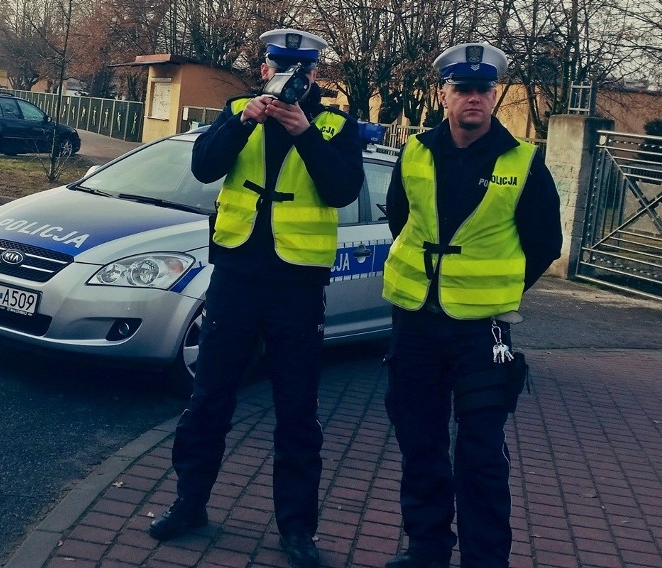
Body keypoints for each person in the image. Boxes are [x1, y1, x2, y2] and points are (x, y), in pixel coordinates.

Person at [147, 28, 365, 568]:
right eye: (280, 67)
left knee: (297, 413)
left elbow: (342, 191)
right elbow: (203, 167)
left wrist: (305, 133)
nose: (290, 78)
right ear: (265, 70)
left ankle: (297, 529)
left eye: (302, 70)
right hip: (237, 277)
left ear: (315, 77)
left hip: (297, 286)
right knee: (209, 400)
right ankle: (189, 503)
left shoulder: (335, 126)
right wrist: (244, 121)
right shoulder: (238, 109)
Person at [381, 43, 562, 568]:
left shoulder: (522, 162)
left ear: (493, 96)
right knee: (420, 442)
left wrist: (495, 290)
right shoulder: (415, 152)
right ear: (444, 95)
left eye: (483, 90)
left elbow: (544, 243)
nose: (474, 99)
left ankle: (486, 559)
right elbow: (401, 220)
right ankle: (427, 548)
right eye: (463, 89)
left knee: (481, 455)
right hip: (415, 321)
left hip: (483, 331)